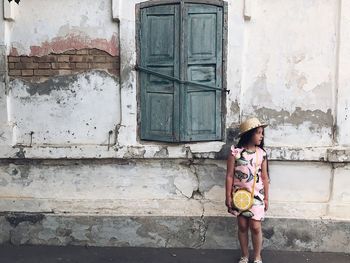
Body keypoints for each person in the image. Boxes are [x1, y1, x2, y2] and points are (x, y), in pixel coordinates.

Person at [225, 117, 270, 263]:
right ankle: (244, 255)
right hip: (240, 197)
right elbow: (230, 176)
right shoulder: (236, 153)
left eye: (262, 133)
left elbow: (265, 177)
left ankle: (257, 256)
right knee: (243, 226)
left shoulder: (261, 154)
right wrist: (228, 197)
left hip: (257, 196)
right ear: (249, 134)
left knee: (255, 226)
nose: (261, 136)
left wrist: (267, 198)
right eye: (258, 132)